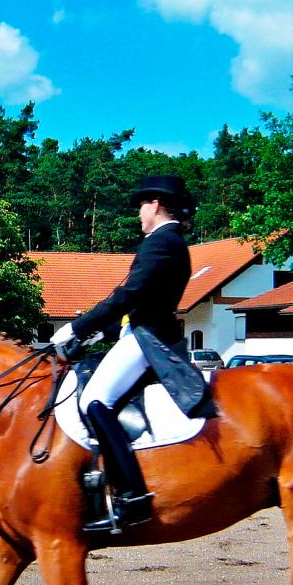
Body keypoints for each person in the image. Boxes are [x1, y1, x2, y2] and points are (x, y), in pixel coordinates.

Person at [51, 174, 214, 533]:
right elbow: (138, 305)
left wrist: (78, 327)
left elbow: (129, 295)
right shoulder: (166, 242)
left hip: (149, 339)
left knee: (94, 400)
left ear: (155, 204)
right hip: (141, 332)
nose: (139, 214)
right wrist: (98, 335)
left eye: (142, 206)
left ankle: (131, 496)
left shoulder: (162, 242)